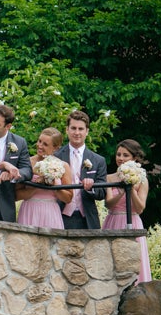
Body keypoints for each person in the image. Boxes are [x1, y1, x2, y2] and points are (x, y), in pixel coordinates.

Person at [103, 139, 151, 284]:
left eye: (125, 155)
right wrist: (121, 192)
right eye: (119, 155)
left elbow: (140, 208)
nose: (121, 158)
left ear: (134, 158)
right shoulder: (109, 178)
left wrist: (131, 189)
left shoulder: (142, 179)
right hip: (113, 221)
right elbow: (108, 204)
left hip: (133, 222)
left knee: (134, 263)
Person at [55, 110, 107, 229]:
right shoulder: (55, 157)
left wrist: (91, 188)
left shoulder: (98, 160)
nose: (77, 132)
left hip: (87, 218)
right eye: (73, 128)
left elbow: (102, 192)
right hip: (59, 215)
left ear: (87, 131)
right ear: (67, 130)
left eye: (81, 129)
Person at [15, 127, 73, 229]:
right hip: (29, 210)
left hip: (50, 211)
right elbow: (16, 194)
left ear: (55, 148)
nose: (40, 146)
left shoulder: (62, 166)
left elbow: (68, 199)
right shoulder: (26, 162)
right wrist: (36, 185)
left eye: (45, 144)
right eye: (39, 141)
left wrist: (54, 185)